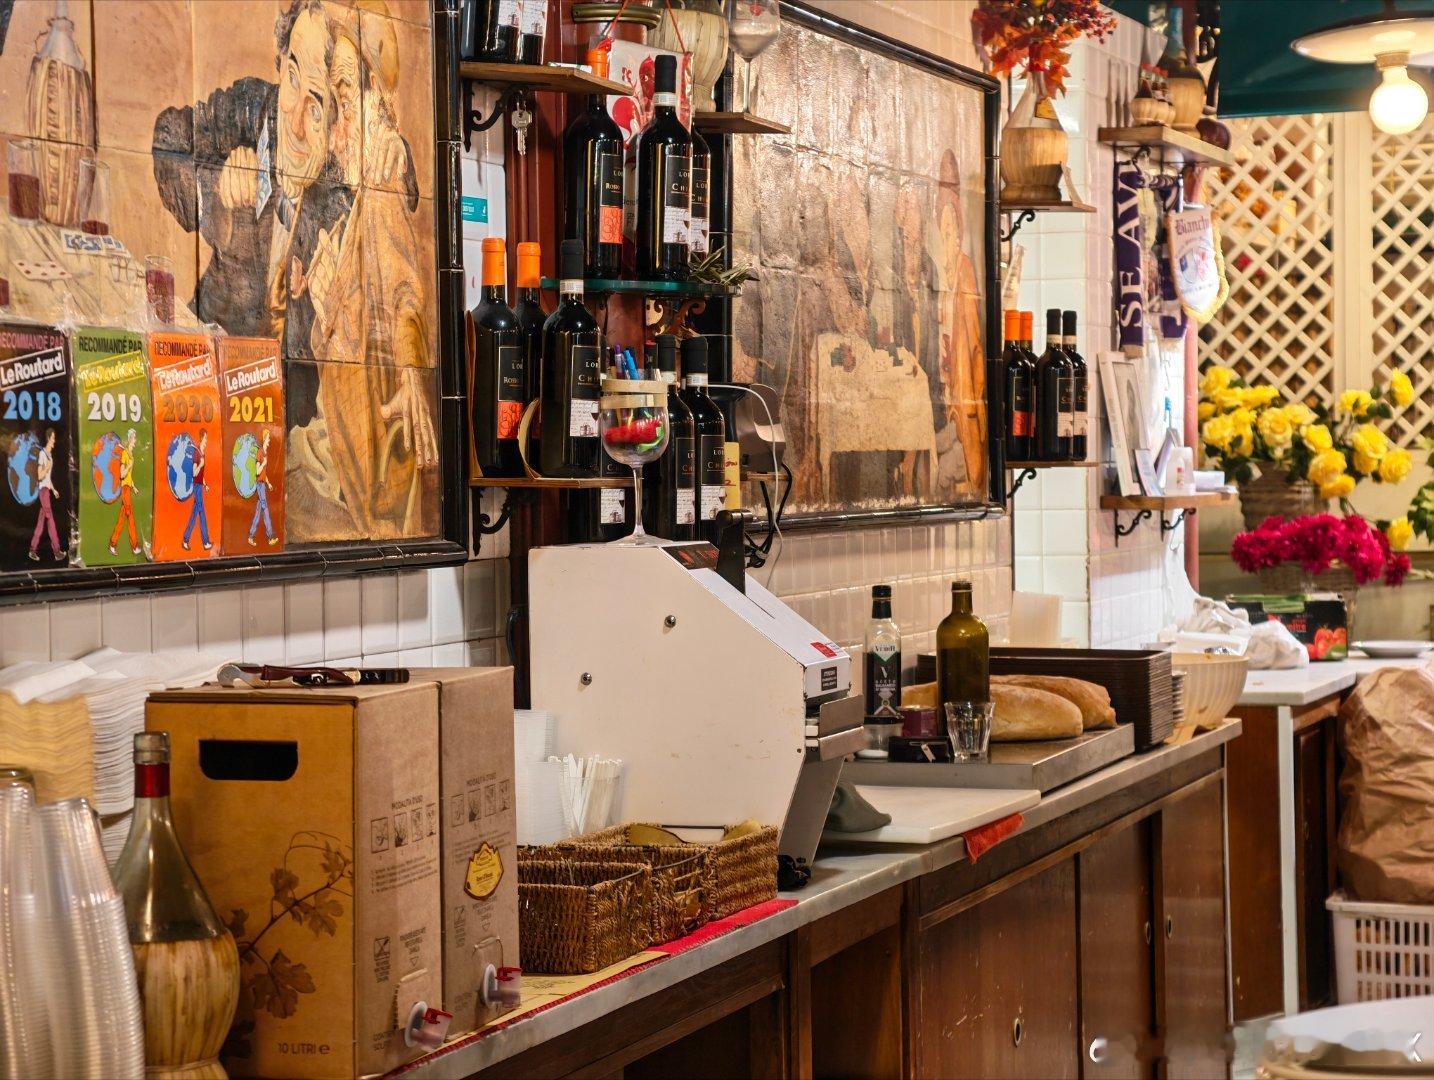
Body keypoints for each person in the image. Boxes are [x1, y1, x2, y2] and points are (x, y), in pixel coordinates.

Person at [150, 0, 415, 356]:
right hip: (209, 357)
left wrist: (397, 152)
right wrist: (214, 193)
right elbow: (169, 138)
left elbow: (404, 196)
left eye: (316, 109)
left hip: (291, 387)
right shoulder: (251, 108)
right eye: (292, 77)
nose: (294, 120)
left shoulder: (336, 184)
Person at [288, 4, 437, 541]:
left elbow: (404, 294)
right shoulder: (354, 213)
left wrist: (412, 373)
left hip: (355, 483)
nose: (336, 133)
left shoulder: (381, 196)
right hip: (343, 463)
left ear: (377, 104)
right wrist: (324, 300)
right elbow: (350, 337)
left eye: (346, 101)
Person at [28, 429, 63, 562]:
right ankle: (57, 551)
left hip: (47, 490)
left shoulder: (50, 456)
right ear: (48, 438)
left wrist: (53, 490)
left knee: (41, 522)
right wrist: (48, 466)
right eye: (52, 438)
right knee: (51, 521)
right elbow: (40, 476)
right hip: (43, 491)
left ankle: (32, 549)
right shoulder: (43, 454)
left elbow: (47, 478)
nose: (54, 441)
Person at [108, 428, 142, 556]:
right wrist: (128, 466)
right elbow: (122, 474)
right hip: (124, 489)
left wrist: (134, 487)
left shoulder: (130, 454)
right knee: (130, 516)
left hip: (128, 487)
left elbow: (129, 477)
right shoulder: (125, 454)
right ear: (131, 439)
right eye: (134, 438)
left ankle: (112, 544)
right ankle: (134, 546)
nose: (136, 440)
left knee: (122, 518)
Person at [182, 429, 212, 552]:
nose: (207, 440)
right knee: (202, 514)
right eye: (206, 438)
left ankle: (185, 540)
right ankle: (206, 542)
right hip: (196, 487)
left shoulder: (202, 453)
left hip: (200, 486)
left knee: (195, 514)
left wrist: (205, 484)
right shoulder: (197, 453)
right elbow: (194, 473)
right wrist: (200, 464)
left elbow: (200, 475)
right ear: (202, 438)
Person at [248, 428, 277, 546]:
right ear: (265, 439)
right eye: (268, 438)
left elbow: (263, 473)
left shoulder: (265, 453)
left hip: (263, 485)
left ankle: (251, 536)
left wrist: (268, 483)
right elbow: (257, 471)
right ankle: (270, 537)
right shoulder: (260, 452)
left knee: (258, 512)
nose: (269, 440)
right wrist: (264, 463)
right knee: (266, 510)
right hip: (259, 486)